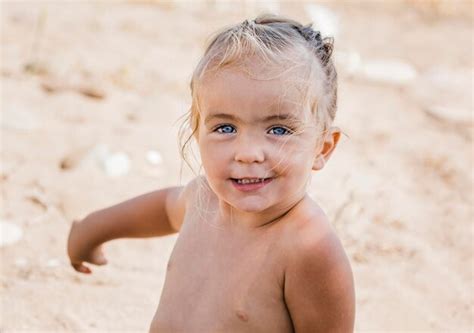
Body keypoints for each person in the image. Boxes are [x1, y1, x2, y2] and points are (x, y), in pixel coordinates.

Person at [67, 14, 355, 332]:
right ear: (198, 131)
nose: (247, 153)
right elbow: (164, 209)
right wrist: (92, 231)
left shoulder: (310, 249)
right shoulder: (203, 198)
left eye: (278, 129)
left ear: (323, 147)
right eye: (226, 127)